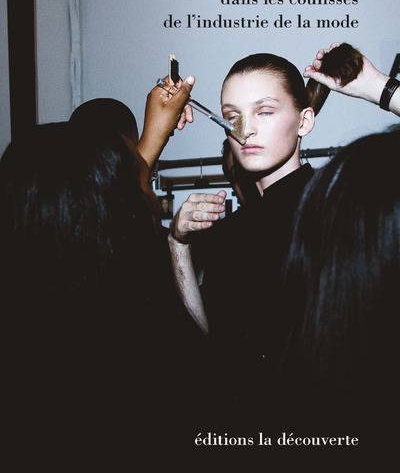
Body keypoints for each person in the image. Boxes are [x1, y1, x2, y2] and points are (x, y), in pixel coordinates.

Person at [168, 43, 400, 419]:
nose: (245, 130)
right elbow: (212, 346)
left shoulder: (339, 203)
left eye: (265, 111)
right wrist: (178, 243)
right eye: (232, 116)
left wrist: (377, 88)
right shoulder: (230, 232)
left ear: (304, 122)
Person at [0, 76, 201, 456]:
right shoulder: (134, 331)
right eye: (144, 189)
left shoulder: (29, 310)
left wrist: (152, 138)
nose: (152, 200)